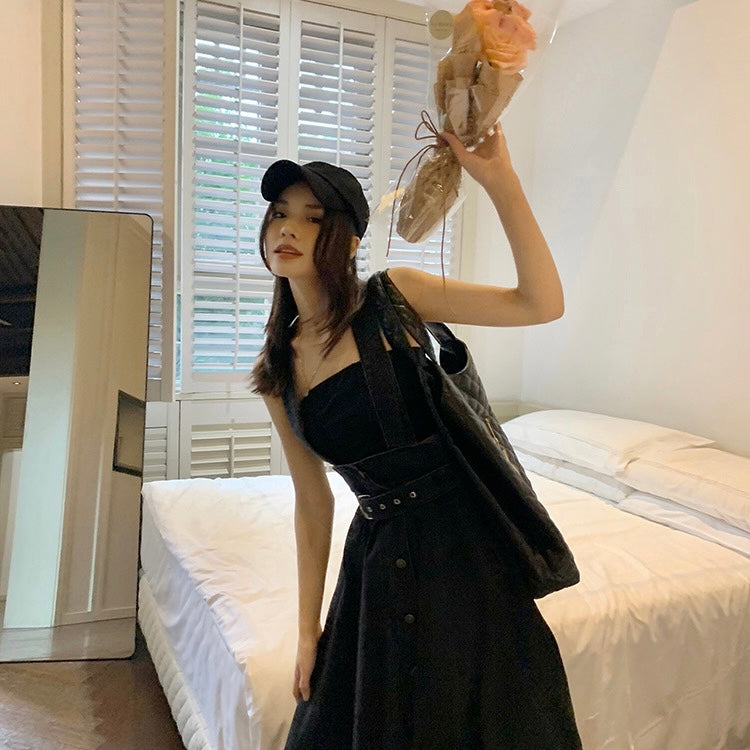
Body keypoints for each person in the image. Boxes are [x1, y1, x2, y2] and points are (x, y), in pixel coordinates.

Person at [251, 127, 582, 749]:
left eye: (312, 218)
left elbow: (541, 303)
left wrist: (500, 181)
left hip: (466, 550)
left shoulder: (395, 298)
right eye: (279, 214)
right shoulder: (278, 367)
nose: (287, 229)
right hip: (376, 553)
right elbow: (312, 500)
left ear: (349, 241)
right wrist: (307, 629)